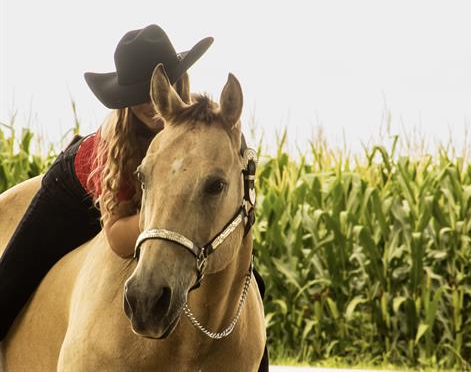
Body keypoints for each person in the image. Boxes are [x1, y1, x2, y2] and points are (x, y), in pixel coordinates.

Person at [0, 23, 269, 371]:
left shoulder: (191, 132)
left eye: (151, 89)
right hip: (77, 193)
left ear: (174, 84)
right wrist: (171, 214)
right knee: (10, 282)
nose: (147, 102)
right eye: (137, 93)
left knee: (250, 281)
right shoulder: (118, 143)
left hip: (158, 217)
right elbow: (116, 237)